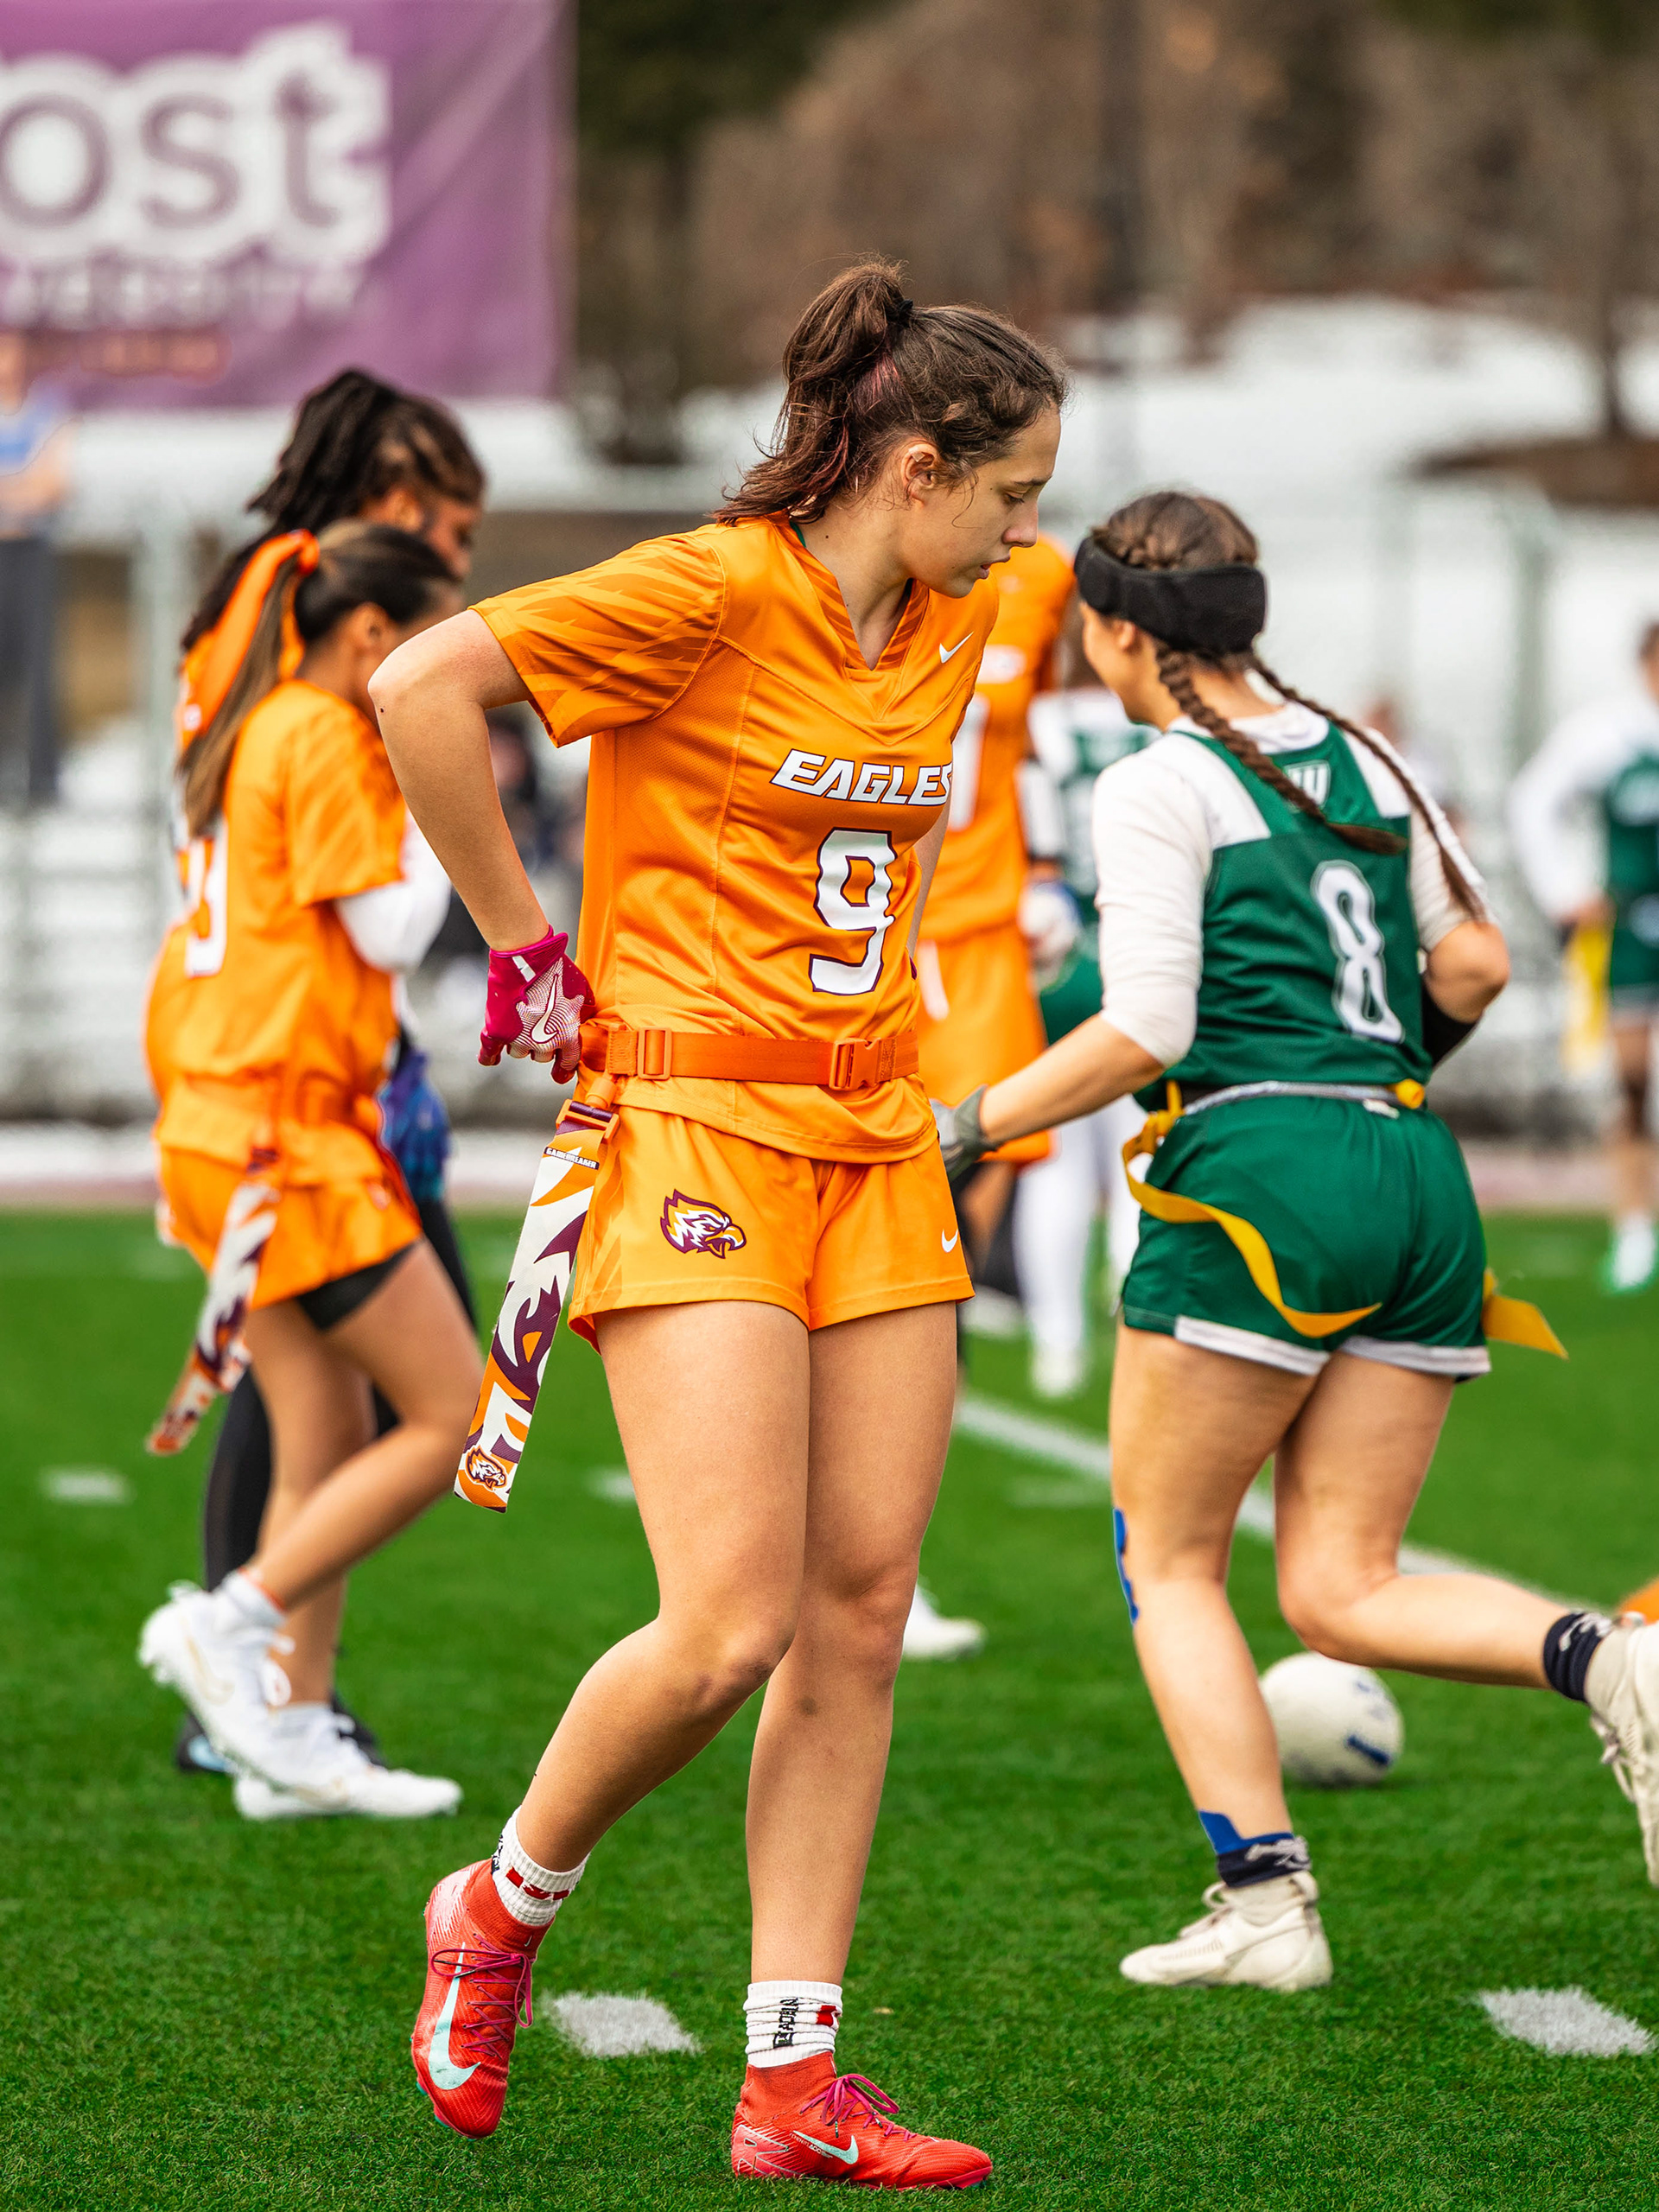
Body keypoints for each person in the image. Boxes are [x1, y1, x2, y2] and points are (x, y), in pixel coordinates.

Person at [371, 260, 1064, 2183]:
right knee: (728, 1622)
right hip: (691, 1125)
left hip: (877, 1139)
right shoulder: (706, 586)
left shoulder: (952, 611)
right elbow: (419, 687)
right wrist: (524, 944)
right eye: (1009, 493)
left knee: (860, 1614)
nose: (1026, 533)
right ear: (915, 468)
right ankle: (499, 1903)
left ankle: (790, 2082)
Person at [933, 489, 1659, 1991]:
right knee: (1340, 1589)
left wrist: (963, 1126)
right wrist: (1361, 1090)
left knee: (1168, 1557)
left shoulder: (1161, 778)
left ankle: (1266, 1906)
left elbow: (1146, 1027)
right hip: (1414, 1166)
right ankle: (1618, 1660)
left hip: (1258, 1171)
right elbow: (1477, 960)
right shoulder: (1364, 753)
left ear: (1116, 632)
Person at [137, 524, 484, 1820]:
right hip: (284, 1131)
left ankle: (281, 1729)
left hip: (235, 1119)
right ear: (373, 633)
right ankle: (228, 1624)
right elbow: (388, 928)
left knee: (326, 1429)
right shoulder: (324, 730)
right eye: (438, 633)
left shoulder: (266, 722)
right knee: (449, 1416)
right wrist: (449, 802)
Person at [1014, 675, 1159, 1395]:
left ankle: (1057, 1343)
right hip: (1147, 961)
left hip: (1058, 966)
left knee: (1056, 1165)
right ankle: (1138, 1317)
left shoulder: (1040, 720)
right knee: (1145, 1160)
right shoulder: (1159, 723)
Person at [1510, 626, 1659, 1294]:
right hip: (1629, 932)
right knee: (1631, 1082)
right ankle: (1634, 1230)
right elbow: (1533, 802)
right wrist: (1565, 893)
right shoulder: (1606, 735)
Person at [0, 330, 72, 806]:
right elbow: (34, 485)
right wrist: (23, 485)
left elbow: (52, 486)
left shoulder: (47, 412)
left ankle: (41, 784)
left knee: (40, 669)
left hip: (30, 554)